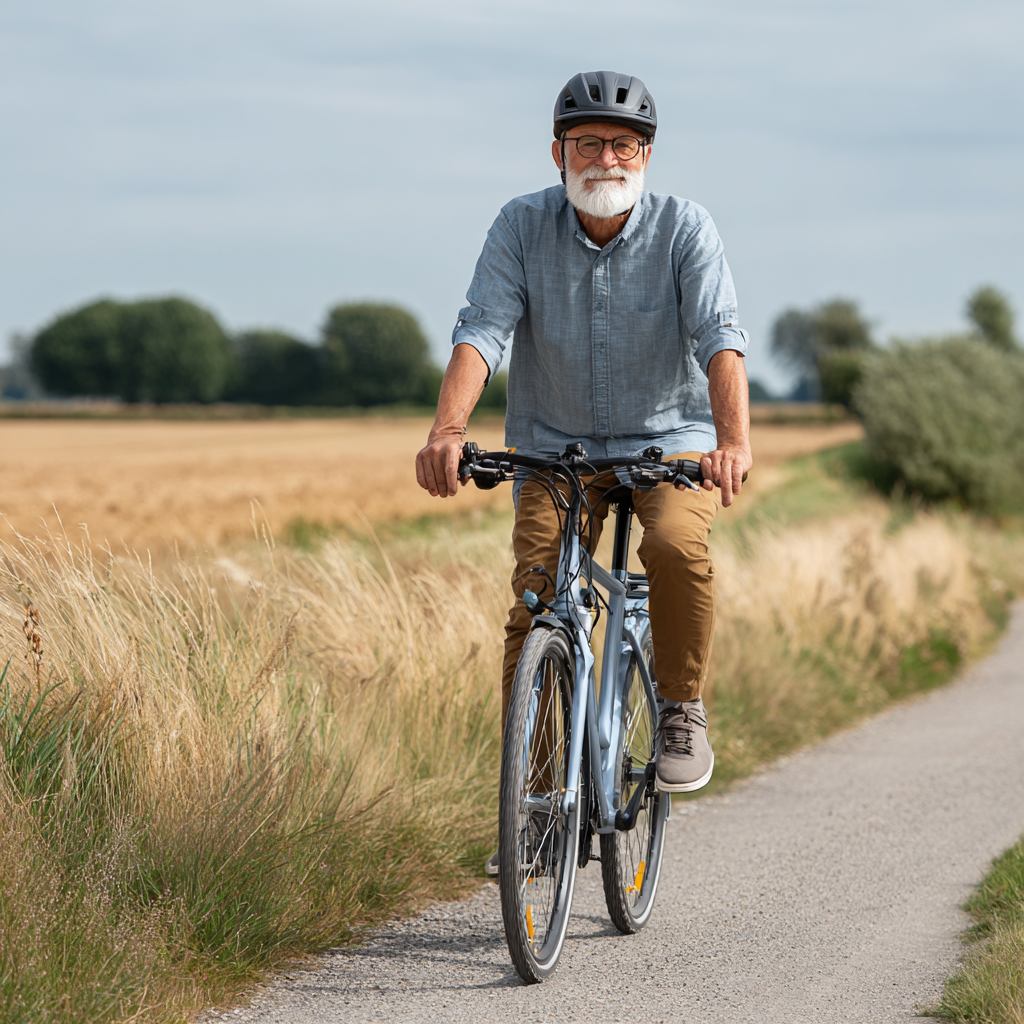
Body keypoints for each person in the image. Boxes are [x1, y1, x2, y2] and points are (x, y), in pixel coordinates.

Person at [415, 70, 753, 876]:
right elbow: (483, 328)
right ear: (558, 151)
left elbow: (719, 336)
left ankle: (679, 708)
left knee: (674, 550)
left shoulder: (685, 228)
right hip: (556, 446)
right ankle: (534, 814)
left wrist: (731, 440)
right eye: (591, 142)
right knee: (536, 603)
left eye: (626, 144)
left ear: (647, 154)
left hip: (668, 443)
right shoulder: (520, 225)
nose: (609, 157)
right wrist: (449, 429)